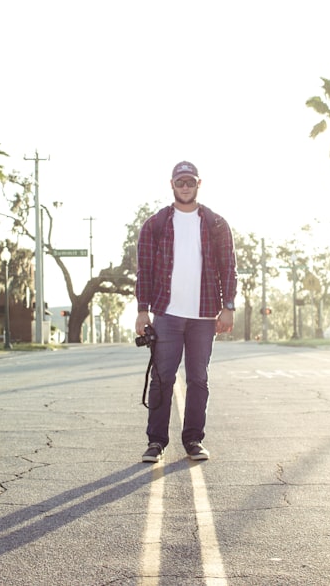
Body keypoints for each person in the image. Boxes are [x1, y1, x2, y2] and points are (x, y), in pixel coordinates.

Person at [135, 160, 237, 463]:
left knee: (198, 379)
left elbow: (228, 267)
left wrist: (228, 306)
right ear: (172, 185)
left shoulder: (216, 224)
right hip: (167, 313)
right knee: (162, 378)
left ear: (198, 184)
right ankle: (156, 442)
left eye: (190, 181)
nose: (185, 186)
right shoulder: (155, 224)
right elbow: (144, 270)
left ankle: (193, 440)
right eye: (180, 182)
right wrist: (143, 311)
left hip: (204, 316)